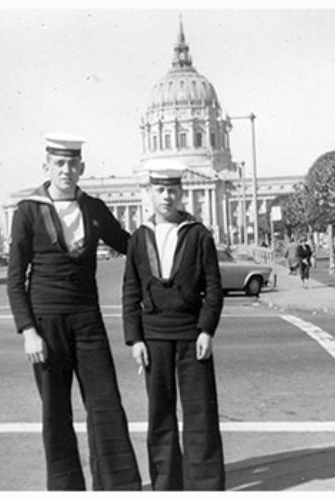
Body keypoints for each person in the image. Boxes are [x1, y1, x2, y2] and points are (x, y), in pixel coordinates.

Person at [7, 133, 141, 491]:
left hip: (87, 319)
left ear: (82, 167)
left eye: (72, 164)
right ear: (47, 167)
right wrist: (28, 331)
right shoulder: (28, 211)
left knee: (106, 403)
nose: (66, 170)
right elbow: (15, 278)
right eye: (59, 163)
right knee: (55, 412)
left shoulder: (93, 207)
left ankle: (117, 488)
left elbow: (128, 244)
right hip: (45, 322)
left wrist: (164, 238)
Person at [123, 159, 225, 491]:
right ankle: (166, 486)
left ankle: (205, 486)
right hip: (154, 337)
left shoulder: (198, 234)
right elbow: (130, 291)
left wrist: (207, 329)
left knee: (200, 414)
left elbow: (213, 288)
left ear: (181, 193)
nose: (166, 196)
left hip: (191, 335)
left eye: (172, 190)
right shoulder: (139, 238)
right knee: (160, 415)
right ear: (150, 194)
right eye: (160, 190)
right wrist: (135, 339)